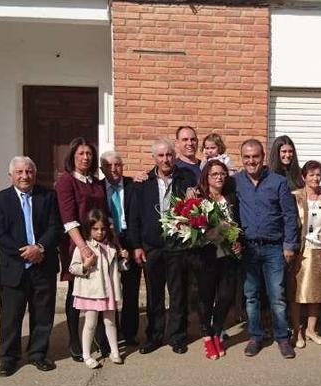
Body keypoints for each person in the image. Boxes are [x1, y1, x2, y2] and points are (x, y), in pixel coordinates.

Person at [0, 157, 62, 377]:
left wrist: (39, 248)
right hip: (14, 267)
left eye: (29, 172)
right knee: (11, 316)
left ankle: (38, 353)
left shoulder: (48, 196)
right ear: (11, 175)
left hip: (43, 264)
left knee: (43, 313)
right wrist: (26, 253)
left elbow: (55, 227)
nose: (24, 176)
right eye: (19, 172)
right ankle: (9, 358)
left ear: (34, 174)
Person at [128, 139, 198, 354]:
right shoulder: (143, 183)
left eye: (169, 155)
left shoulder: (186, 178)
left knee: (178, 294)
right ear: (154, 159)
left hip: (177, 245)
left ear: (174, 156)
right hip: (153, 247)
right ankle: (154, 335)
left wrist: (193, 192)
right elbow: (134, 217)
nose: (165, 159)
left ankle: (177, 336)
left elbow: (197, 199)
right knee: (154, 295)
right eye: (161, 156)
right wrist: (137, 246)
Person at [234, 139, 299, 359]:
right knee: (251, 296)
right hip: (248, 249)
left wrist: (289, 245)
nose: (251, 161)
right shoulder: (235, 182)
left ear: (263, 157)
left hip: (274, 249)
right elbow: (211, 189)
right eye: (247, 157)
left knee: (277, 296)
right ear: (242, 158)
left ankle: (282, 338)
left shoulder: (278, 182)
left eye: (255, 157)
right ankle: (255, 336)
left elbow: (290, 215)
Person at [56, 137, 110, 362]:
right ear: (72, 156)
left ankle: (99, 336)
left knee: (99, 289)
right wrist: (83, 247)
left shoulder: (96, 182)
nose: (86, 157)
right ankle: (74, 339)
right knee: (76, 292)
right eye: (81, 154)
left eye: (89, 154)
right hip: (76, 242)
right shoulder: (66, 181)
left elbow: (105, 213)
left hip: (99, 241)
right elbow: (68, 218)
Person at [188, 159, 242, 359]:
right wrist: (212, 233)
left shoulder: (231, 198)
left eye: (222, 174)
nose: (219, 177)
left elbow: (238, 224)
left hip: (227, 257)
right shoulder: (199, 199)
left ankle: (217, 331)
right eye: (214, 174)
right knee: (206, 298)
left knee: (226, 297)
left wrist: (238, 241)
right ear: (206, 177)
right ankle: (207, 337)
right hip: (205, 257)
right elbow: (192, 227)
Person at [69, 209, 127, 368]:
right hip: (92, 292)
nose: (99, 232)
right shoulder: (84, 247)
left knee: (111, 322)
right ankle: (86, 355)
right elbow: (73, 268)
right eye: (95, 229)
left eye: (102, 229)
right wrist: (85, 266)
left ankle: (115, 351)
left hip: (108, 291)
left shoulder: (111, 247)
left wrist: (124, 261)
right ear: (88, 229)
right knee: (91, 323)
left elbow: (116, 268)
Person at [288, 160, 321, 349]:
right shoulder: (295, 196)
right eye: (311, 174)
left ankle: (311, 329)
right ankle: (297, 329)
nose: (315, 178)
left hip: (320, 249)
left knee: (317, 292)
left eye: (318, 174)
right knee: (298, 293)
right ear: (304, 177)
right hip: (301, 249)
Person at [101, 151, 142, 347]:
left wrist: (136, 246)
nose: (114, 169)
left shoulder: (133, 186)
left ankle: (130, 332)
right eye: (108, 166)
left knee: (131, 290)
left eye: (117, 165)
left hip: (130, 240)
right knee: (108, 290)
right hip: (106, 243)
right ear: (102, 169)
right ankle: (109, 335)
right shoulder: (97, 188)